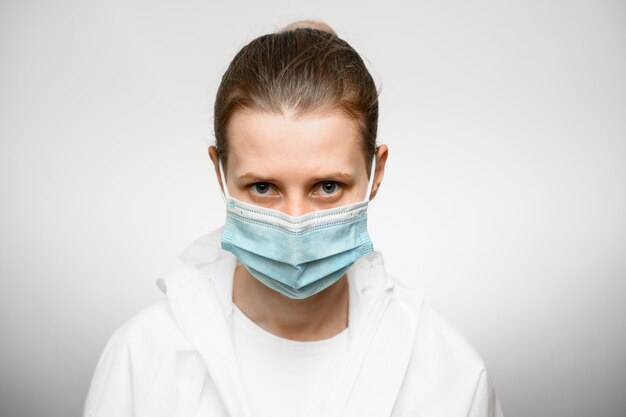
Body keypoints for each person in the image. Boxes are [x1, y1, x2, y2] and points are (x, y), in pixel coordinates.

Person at [83, 20, 504, 417]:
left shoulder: (450, 373)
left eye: (327, 186)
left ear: (376, 174)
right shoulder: (141, 356)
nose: (296, 224)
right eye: (263, 188)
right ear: (219, 172)